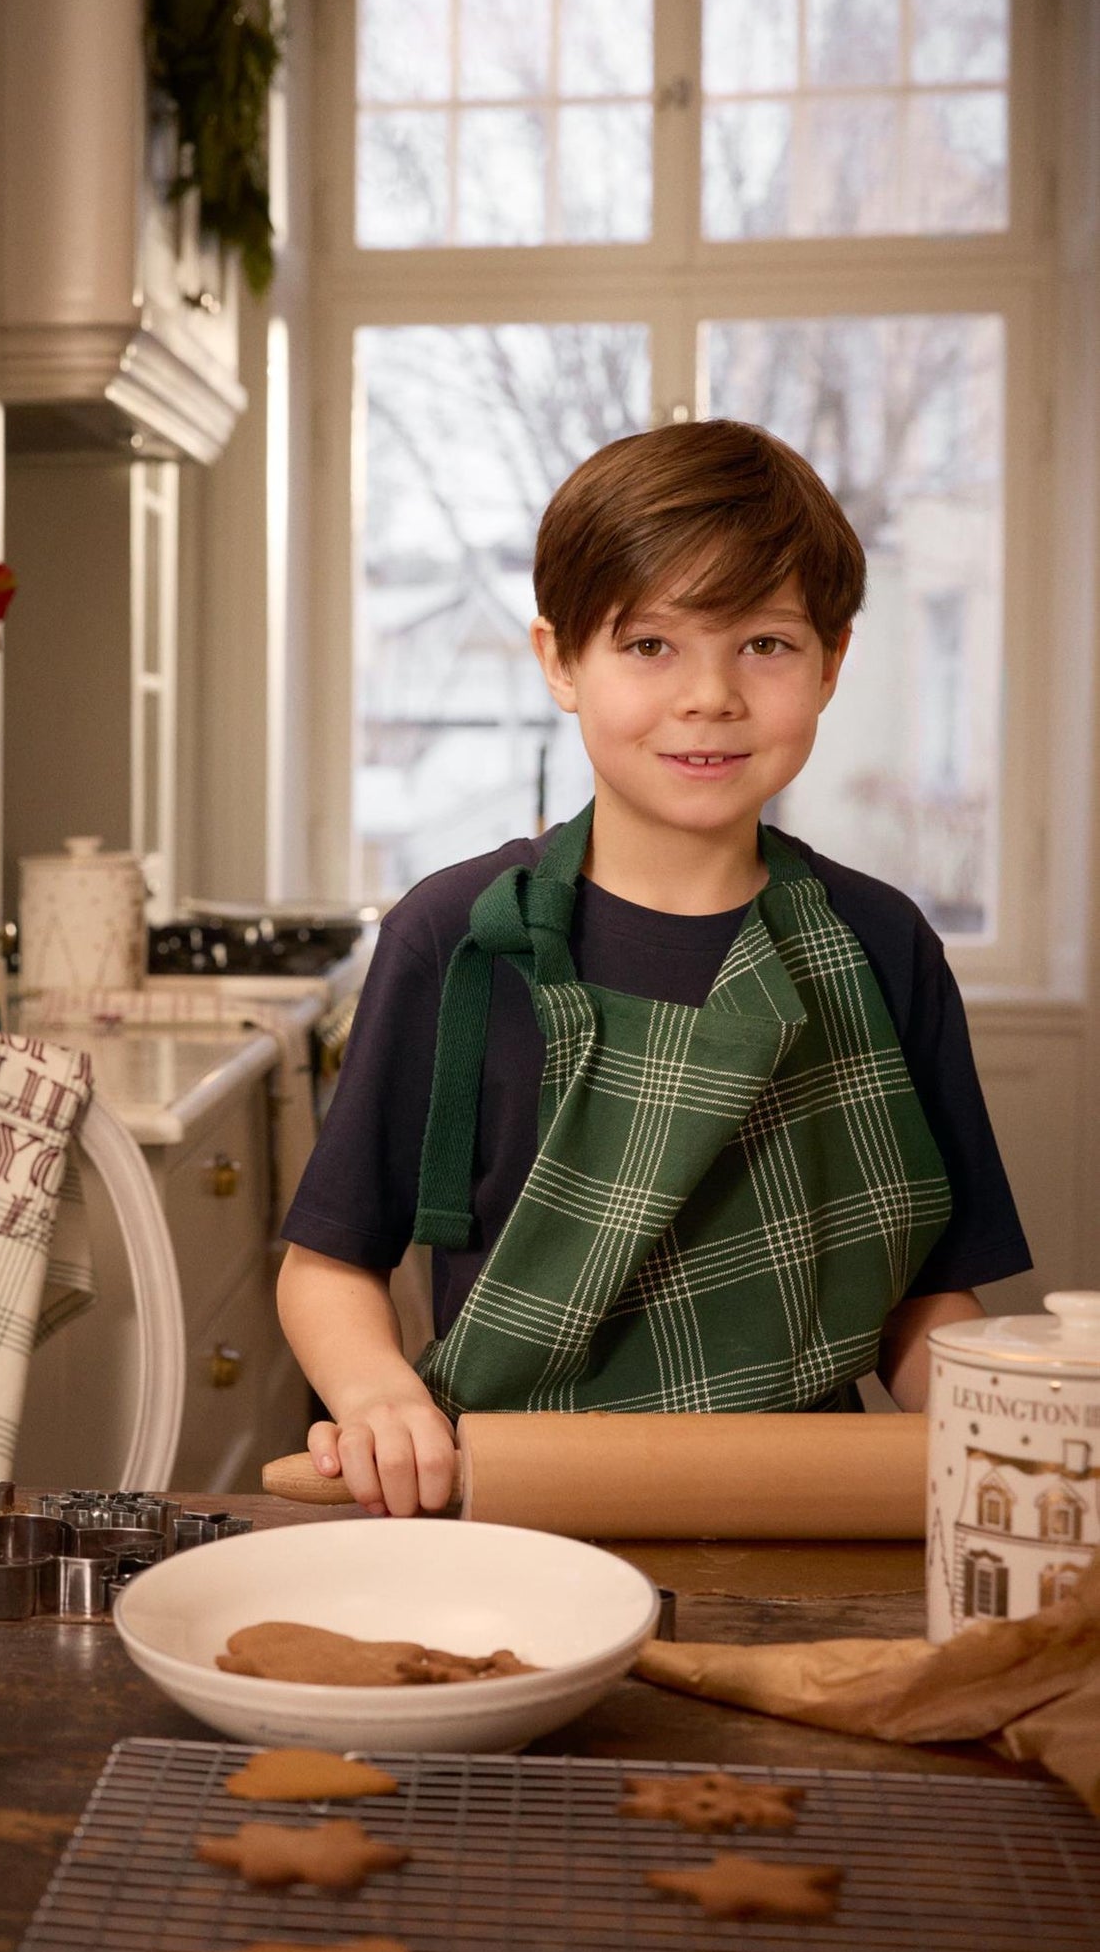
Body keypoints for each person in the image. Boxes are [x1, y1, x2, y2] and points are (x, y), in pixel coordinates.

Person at [277, 420, 1032, 1517]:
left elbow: (921, 1302)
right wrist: (375, 1392)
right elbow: (328, 1266)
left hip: (805, 1523)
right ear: (558, 663)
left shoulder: (881, 946)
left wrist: (1001, 1441)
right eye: (649, 646)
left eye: (763, 645)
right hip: (511, 1517)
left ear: (831, 663)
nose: (708, 696)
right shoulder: (458, 940)